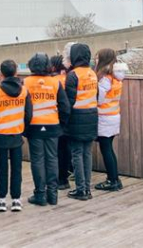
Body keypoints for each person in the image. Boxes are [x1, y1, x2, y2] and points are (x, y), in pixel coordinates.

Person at [0, 59, 32, 213]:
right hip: (17, 133)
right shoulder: (24, 91)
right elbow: (28, 114)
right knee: (17, 168)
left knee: (1, 168)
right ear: (16, 73)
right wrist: (22, 127)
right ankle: (16, 200)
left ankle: (1, 200)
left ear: (1, 75)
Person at [24, 53, 70, 206]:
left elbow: (22, 107)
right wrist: (61, 126)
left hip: (34, 126)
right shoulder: (55, 82)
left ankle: (40, 194)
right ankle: (53, 194)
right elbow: (65, 107)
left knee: (37, 160)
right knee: (52, 159)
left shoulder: (26, 83)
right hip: (52, 125)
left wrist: (25, 126)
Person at [64, 43, 98, 200]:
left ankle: (80, 189)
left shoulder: (73, 75)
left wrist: (64, 121)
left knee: (76, 153)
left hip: (77, 118)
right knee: (87, 153)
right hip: (92, 115)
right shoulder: (92, 73)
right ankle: (87, 189)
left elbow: (69, 102)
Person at [94, 50, 126, 192]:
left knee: (106, 149)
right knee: (109, 148)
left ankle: (112, 180)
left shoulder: (105, 78)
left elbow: (99, 99)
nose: (95, 60)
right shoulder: (116, 77)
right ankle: (115, 179)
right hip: (113, 114)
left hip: (104, 116)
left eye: (97, 58)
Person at [51, 53, 72, 190]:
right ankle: (65, 176)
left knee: (57, 150)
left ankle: (60, 179)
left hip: (55, 119)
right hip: (69, 118)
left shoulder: (54, 81)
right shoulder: (69, 78)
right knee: (66, 149)